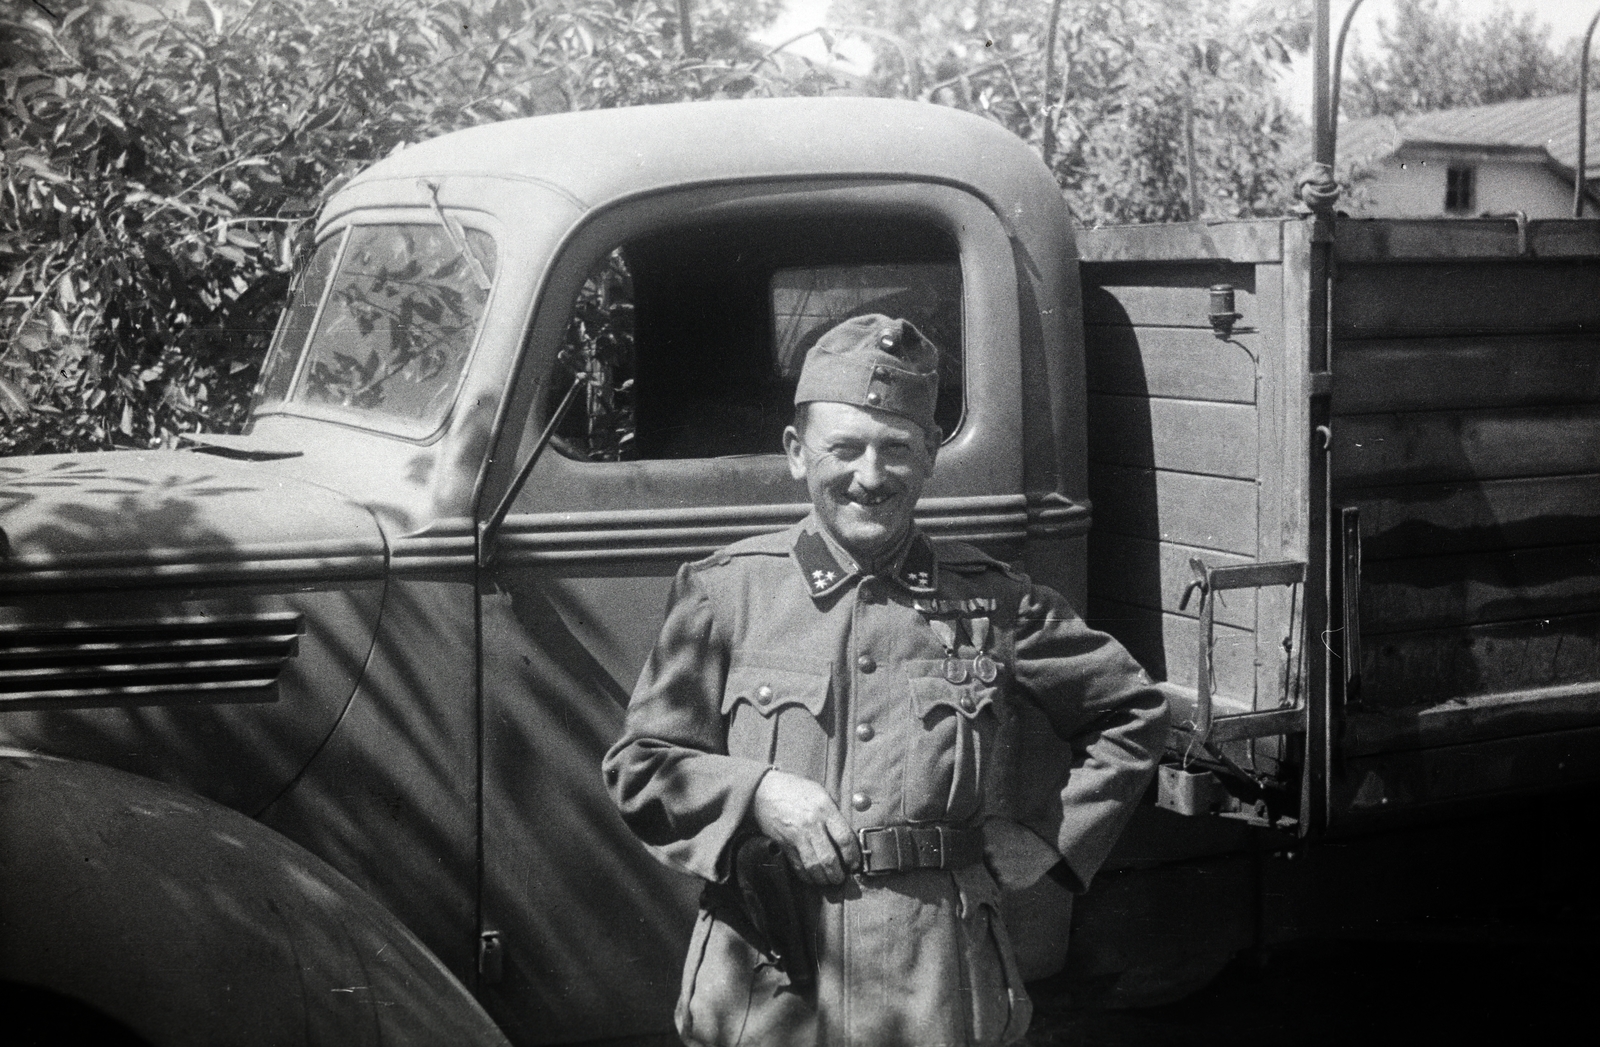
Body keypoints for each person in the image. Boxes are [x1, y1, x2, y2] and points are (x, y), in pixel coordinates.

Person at [602, 314, 1169, 1047]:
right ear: (797, 454)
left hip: (935, 985)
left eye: (895, 448)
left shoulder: (995, 600)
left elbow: (1133, 711)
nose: (869, 476)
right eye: (844, 448)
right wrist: (760, 794)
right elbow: (641, 768)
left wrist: (1047, 838)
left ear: (931, 454)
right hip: (772, 988)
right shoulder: (726, 592)